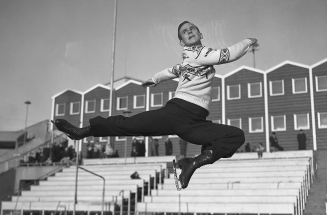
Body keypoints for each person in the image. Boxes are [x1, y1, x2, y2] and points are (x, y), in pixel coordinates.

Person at [52, 21, 257, 189]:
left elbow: (172, 70)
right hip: (177, 112)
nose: (189, 32)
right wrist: (248, 41)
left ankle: (192, 164)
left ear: (200, 32)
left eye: (192, 28)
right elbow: (228, 54)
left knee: (235, 135)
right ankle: (82, 132)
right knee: (128, 125)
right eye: (185, 32)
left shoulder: (191, 59)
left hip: (195, 121)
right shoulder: (198, 54)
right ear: (181, 41)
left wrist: (155, 79)